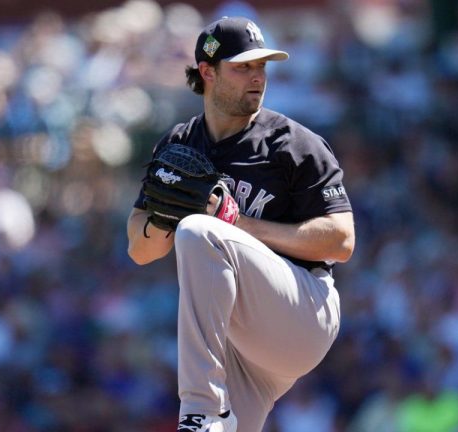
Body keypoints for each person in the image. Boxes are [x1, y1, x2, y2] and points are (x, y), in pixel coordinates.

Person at [126, 16, 355, 432]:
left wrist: (240, 225)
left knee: (200, 231)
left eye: (261, 66)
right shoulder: (178, 145)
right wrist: (165, 216)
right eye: (243, 67)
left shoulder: (294, 144)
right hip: (240, 348)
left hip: (303, 313)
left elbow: (341, 241)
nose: (257, 77)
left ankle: (200, 408)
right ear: (207, 72)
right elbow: (140, 251)